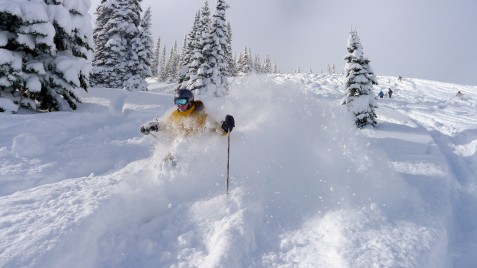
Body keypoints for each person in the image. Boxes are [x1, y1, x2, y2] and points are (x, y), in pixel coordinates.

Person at [140, 89, 235, 138]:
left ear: (190, 101)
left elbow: (218, 130)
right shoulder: (175, 115)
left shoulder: (201, 114)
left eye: (182, 102)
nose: (179, 105)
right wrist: (154, 126)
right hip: (178, 147)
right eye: (177, 102)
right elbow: (166, 126)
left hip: (196, 149)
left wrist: (225, 127)